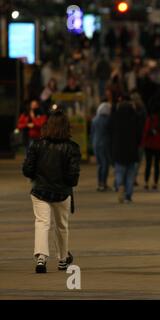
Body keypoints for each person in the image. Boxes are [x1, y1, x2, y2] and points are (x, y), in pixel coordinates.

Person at [22, 110, 81, 273]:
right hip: (62, 193)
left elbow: (27, 169)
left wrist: (37, 177)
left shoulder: (37, 144)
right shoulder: (72, 148)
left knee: (42, 223)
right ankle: (63, 259)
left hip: (40, 191)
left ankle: (41, 259)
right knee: (62, 226)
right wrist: (66, 183)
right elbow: (73, 177)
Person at [110, 99, 141, 203]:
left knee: (119, 172)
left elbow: (111, 134)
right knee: (130, 175)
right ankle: (128, 196)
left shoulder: (115, 118)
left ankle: (120, 186)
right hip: (132, 151)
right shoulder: (135, 118)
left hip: (119, 151)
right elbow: (139, 135)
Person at [142, 100, 160, 191]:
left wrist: (143, 143)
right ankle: (155, 183)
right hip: (159, 146)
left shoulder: (150, 119)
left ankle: (146, 183)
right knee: (157, 165)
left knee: (148, 165)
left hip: (149, 145)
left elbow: (145, 132)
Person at [91, 102, 112, 192]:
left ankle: (99, 183)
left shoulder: (94, 120)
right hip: (104, 144)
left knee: (100, 164)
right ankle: (103, 183)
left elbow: (92, 133)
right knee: (105, 164)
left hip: (96, 143)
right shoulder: (108, 120)